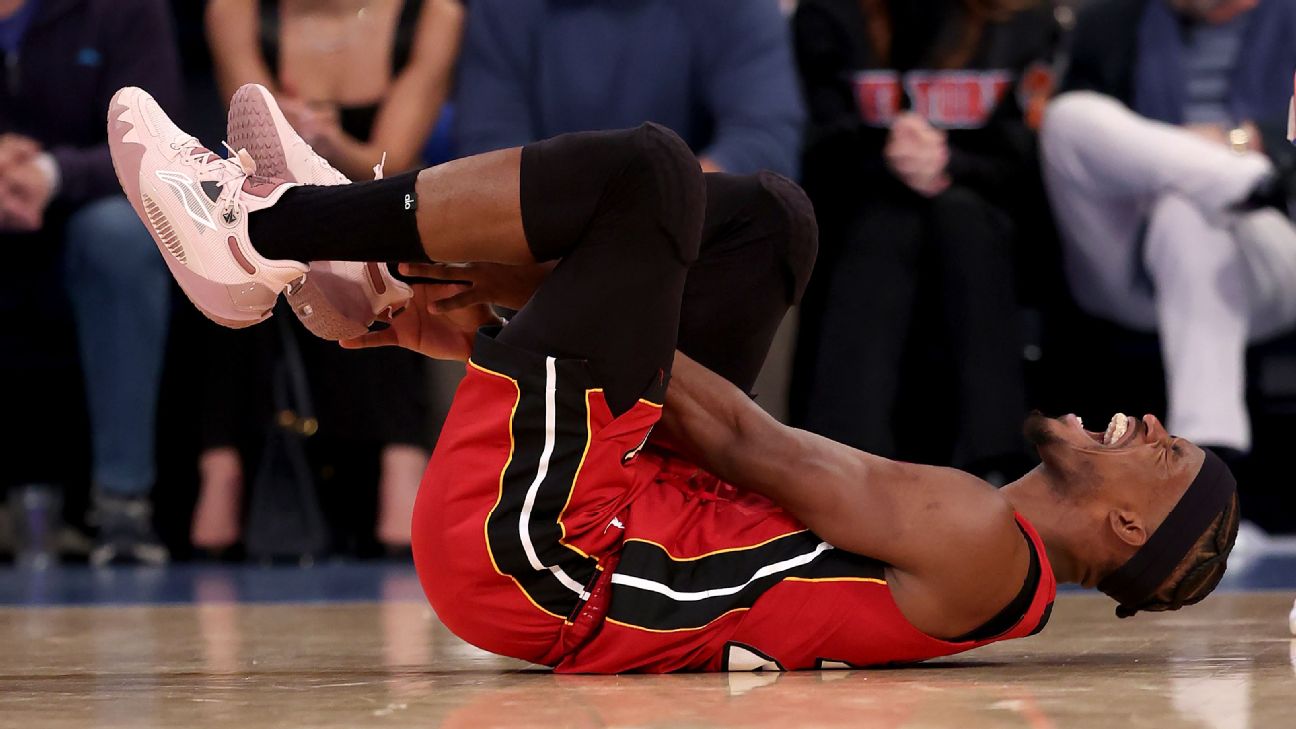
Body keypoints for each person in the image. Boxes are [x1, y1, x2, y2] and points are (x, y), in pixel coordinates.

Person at [107, 86, 1239, 672]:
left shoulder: (976, 538)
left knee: (650, 181)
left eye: (1163, 448)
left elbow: (747, 442)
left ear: (1132, 519)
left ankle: (270, 230)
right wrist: (487, 325)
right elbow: (721, 449)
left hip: (546, 565)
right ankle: (370, 272)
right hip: (602, 517)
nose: (1143, 422)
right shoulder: (986, 546)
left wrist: (518, 314)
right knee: (768, 225)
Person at [195, 0, 464, 554]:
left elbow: (388, 162)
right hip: (271, 202)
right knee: (236, 242)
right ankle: (219, 464)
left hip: (377, 195)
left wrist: (321, 139)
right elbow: (252, 144)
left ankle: (401, 459)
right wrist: (288, 140)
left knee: (375, 234)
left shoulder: (433, 16)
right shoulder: (235, 12)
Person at [790, 0, 1057, 480]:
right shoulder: (828, 15)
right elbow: (808, 145)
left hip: (981, 216)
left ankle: (997, 468)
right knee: (888, 222)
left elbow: (1034, 164)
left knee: (961, 218)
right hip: (861, 206)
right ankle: (840, 469)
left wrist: (950, 163)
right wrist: (887, 151)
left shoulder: (1026, 19)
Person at [1040, 0, 1296, 458]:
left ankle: (1209, 472)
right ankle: (1248, 181)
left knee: (1186, 210)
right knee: (1069, 117)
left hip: (1274, 246)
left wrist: (1245, 139)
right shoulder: (1114, 23)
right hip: (1137, 256)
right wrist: (1209, 160)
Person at [0, 0, 181, 565]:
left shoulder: (126, 9)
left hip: (89, 201)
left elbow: (159, 143)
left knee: (119, 238)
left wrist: (49, 173)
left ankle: (122, 503)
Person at [454, 0, 805, 177]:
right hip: (539, 259)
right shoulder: (505, 8)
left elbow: (766, 142)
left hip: (692, 258)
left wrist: (648, 216)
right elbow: (488, 150)